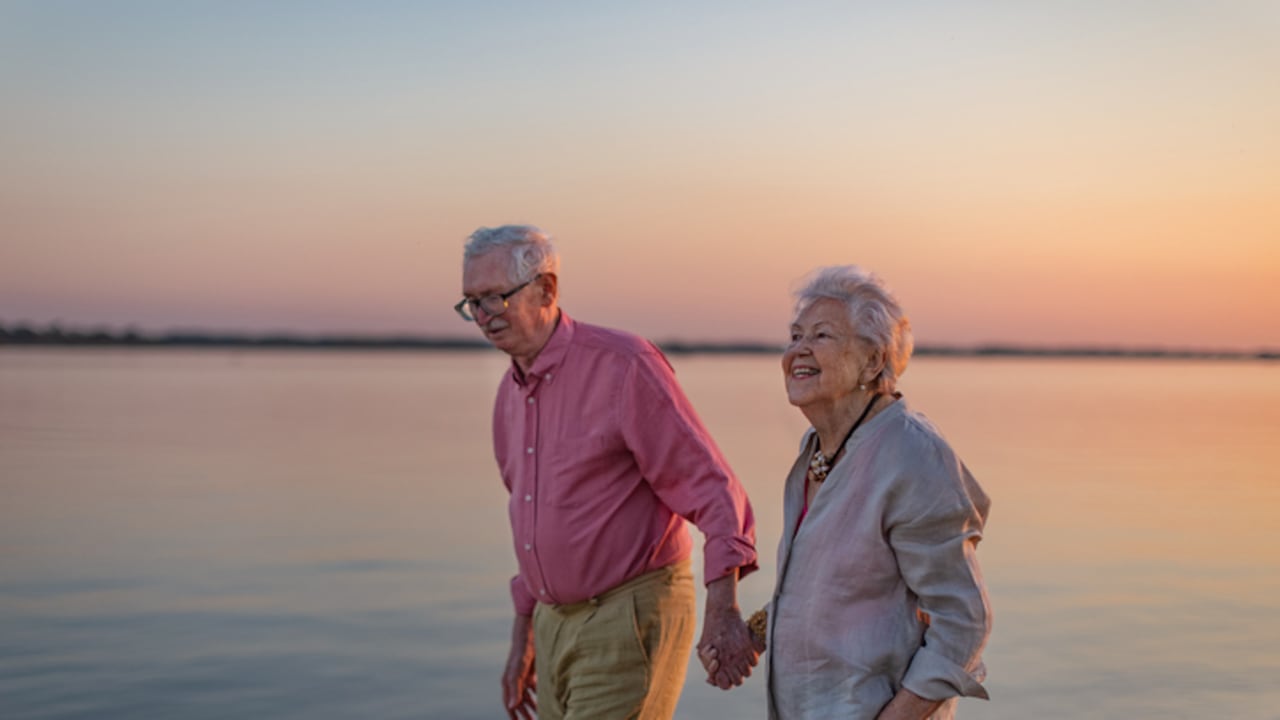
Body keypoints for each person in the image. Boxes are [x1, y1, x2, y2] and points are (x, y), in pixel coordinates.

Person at [457, 225, 760, 720]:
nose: (483, 317)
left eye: (495, 298)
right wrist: (525, 635)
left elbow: (714, 489)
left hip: (629, 614)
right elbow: (528, 520)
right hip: (553, 622)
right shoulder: (509, 393)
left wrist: (723, 608)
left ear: (547, 289)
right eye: (472, 302)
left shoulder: (624, 365)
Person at [700, 265, 992, 719]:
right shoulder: (818, 449)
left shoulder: (912, 455)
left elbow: (964, 622)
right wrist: (753, 634)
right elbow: (829, 591)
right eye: (795, 336)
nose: (798, 349)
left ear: (873, 361)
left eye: (821, 336)